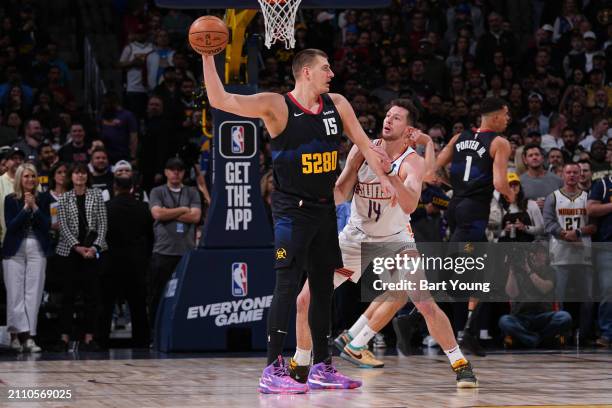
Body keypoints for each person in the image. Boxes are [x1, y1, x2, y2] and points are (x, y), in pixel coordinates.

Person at [203, 48, 395, 394]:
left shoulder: (338, 104)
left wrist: (382, 177)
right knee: (287, 286)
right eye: (326, 68)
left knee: (323, 291)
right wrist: (207, 56)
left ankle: (322, 366)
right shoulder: (277, 106)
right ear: (306, 72)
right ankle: (271, 369)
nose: (332, 73)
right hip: (292, 212)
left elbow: (365, 144)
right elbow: (219, 99)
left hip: (323, 211)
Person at [290, 100, 478, 388]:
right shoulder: (363, 148)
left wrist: (389, 172)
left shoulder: (411, 162)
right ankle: (301, 364)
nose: (388, 120)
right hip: (355, 238)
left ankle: (460, 363)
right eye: (387, 115)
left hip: (396, 242)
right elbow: (341, 191)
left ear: (409, 129)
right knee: (306, 299)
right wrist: (313, 198)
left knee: (423, 302)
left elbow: (410, 204)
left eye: (397, 118)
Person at [436, 97, 515, 356]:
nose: (508, 119)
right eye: (505, 114)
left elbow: (433, 171)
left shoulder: (459, 137)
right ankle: (414, 314)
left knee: (483, 275)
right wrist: (510, 196)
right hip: (474, 213)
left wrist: (456, 188)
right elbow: (500, 182)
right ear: (494, 116)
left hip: (457, 206)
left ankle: (468, 330)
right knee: (455, 271)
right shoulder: (500, 142)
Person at [55, 163, 108, 352]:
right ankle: (64, 337)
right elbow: (63, 227)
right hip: (69, 252)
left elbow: (102, 225)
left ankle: (89, 337)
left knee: (91, 297)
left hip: (92, 252)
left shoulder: (96, 195)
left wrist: (94, 247)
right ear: (72, 176)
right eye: (76, 173)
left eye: (83, 173)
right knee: (67, 296)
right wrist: (77, 247)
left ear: (87, 176)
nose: (80, 176)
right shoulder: (64, 198)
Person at [543, 162, 597, 344]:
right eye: (568, 172)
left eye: (575, 172)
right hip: (559, 254)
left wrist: (578, 233)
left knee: (588, 298)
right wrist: (565, 234)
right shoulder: (553, 197)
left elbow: (595, 225)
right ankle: (561, 334)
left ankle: (583, 334)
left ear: (581, 174)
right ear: (562, 175)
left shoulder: (588, 197)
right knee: (559, 297)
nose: (572, 176)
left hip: (584, 254)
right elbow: (548, 224)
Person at [2, 163, 50, 353]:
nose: (30, 180)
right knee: (15, 293)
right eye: (26, 176)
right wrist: (25, 209)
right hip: (14, 249)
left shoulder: (44, 198)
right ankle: (16, 335)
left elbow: (47, 225)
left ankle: (29, 337)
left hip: (37, 248)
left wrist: (35, 207)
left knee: (34, 293)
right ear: (20, 179)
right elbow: (11, 226)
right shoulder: (10, 199)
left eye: (33, 176)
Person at [148, 157, 201, 327]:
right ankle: (154, 332)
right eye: (172, 169)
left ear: (184, 173)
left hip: (186, 252)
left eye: (179, 169)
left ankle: (186, 328)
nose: (175, 172)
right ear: (165, 172)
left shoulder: (192, 191)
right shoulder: (157, 191)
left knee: (188, 294)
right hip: (163, 252)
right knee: (157, 295)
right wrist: (184, 209)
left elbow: (196, 217)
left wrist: (168, 212)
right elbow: (157, 215)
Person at [101, 176, 152, 348]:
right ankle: (142, 341)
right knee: (138, 304)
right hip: (136, 263)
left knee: (106, 304)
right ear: (132, 188)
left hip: (111, 262)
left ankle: (101, 341)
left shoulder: (106, 208)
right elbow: (150, 236)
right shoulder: (144, 208)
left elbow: (99, 237)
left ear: (114, 187)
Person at [499, 244, 572, 348]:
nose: (539, 256)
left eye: (542, 253)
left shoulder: (549, 271)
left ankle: (529, 339)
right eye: (537, 253)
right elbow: (512, 293)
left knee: (565, 317)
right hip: (522, 317)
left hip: (544, 316)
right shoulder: (518, 271)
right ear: (530, 255)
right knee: (504, 320)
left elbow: (544, 288)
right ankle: (539, 340)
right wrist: (512, 271)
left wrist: (528, 270)